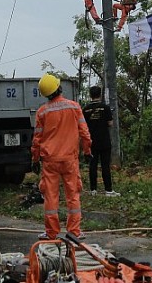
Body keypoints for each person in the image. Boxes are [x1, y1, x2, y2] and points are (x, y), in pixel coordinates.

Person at [31, 74, 92, 240]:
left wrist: (35, 159)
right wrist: (87, 151)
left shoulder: (42, 112)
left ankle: (51, 233)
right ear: (59, 87)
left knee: (50, 197)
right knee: (73, 195)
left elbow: (37, 139)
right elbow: (84, 133)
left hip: (50, 161)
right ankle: (74, 232)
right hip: (70, 159)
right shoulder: (74, 107)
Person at [82, 85, 119, 197]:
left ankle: (93, 190)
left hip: (91, 141)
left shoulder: (85, 109)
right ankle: (108, 190)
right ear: (100, 94)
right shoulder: (105, 108)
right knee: (105, 165)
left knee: (92, 165)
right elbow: (110, 123)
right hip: (104, 140)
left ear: (90, 95)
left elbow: (83, 126)